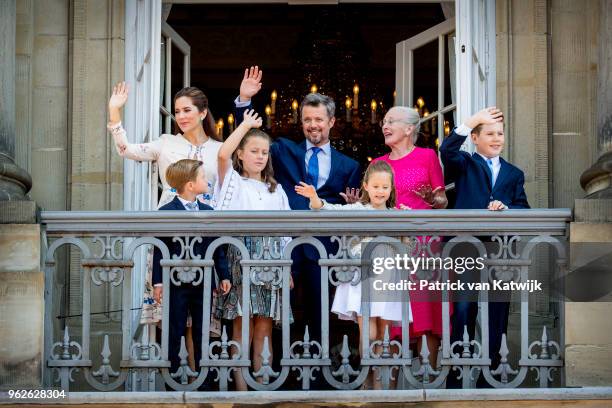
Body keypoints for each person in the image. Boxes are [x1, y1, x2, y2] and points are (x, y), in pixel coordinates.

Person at [234, 66, 362, 348]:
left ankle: (320, 370)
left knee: (319, 310)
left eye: (318, 119)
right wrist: (244, 100)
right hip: (285, 243)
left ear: (331, 122)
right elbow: (247, 139)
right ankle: (276, 367)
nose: (312, 125)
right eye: (307, 120)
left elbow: (347, 211)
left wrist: (354, 206)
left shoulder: (349, 166)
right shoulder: (282, 149)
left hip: (324, 246)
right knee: (279, 308)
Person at [295, 160, 412, 389]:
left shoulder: (395, 214)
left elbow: (406, 249)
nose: (380, 191)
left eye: (385, 187)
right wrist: (315, 198)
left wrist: (407, 224)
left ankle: (378, 383)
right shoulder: (359, 208)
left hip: (387, 277)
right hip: (363, 276)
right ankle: (367, 380)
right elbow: (331, 210)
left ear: (391, 189)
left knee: (384, 331)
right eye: (376, 186)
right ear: (366, 186)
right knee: (367, 329)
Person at [440, 107, 529, 388]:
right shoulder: (464, 163)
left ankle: (490, 378)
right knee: (465, 308)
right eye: (489, 133)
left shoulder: (514, 173)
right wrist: (471, 121)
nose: (496, 138)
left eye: (500, 134)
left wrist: (507, 208)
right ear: (475, 139)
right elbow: (447, 148)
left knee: (497, 312)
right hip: (466, 247)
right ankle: (457, 376)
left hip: (499, 251)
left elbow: (523, 208)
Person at [212, 109, 293, 391]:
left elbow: (285, 232)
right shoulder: (232, 181)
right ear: (241, 155)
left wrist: (288, 267)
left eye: (265, 152)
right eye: (254, 151)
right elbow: (222, 154)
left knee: (265, 325)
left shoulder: (276, 189)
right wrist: (245, 125)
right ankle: (241, 389)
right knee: (242, 323)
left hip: (272, 258)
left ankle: (261, 383)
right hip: (241, 256)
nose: (260, 156)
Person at [372, 106, 449, 369]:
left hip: (424, 246)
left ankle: (428, 384)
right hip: (390, 247)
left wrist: (432, 198)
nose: (385, 125)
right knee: (390, 320)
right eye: (384, 121)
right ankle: (388, 391)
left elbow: (442, 200)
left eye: (391, 121)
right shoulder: (378, 164)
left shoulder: (427, 157)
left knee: (425, 315)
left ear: (409, 129)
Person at [151, 159, 231, 389]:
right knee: (174, 329)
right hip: (175, 281)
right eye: (203, 178)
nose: (207, 181)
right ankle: (173, 381)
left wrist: (223, 275)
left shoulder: (208, 211)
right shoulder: (166, 212)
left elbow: (218, 249)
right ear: (189, 185)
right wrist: (158, 281)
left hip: (204, 282)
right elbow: (159, 249)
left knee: (202, 329)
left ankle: (204, 381)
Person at [107, 82, 223, 208]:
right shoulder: (166, 143)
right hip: (169, 221)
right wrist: (114, 110)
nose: (181, 116)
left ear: (203, 113)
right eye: (177, 111)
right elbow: (126, 150)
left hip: (209, 222)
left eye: (187, 110)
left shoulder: (220, 149)